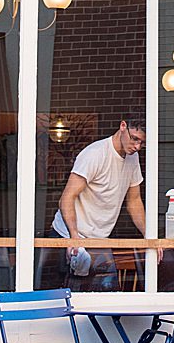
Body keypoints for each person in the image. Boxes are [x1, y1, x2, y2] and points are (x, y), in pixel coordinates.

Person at [51, 114, 157, 290]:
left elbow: (134, 200)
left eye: (142, 143)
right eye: (135, 139)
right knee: (70, 299)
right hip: (69, 235)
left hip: (99, 239)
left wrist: (149, 237)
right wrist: (74, 238)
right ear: (123, 126)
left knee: (110, 293)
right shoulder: (95, 154)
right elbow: (67, 198)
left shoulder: (133, 158)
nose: (137, 146)